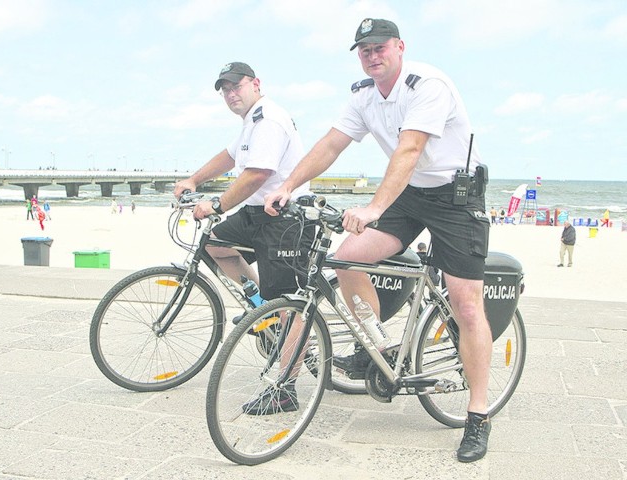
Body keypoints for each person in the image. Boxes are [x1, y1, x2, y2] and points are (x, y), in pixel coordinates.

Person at [264, 18, 492, 462]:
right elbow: (331, 144)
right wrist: (289, 185)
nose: (371, 54)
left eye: (379, 46)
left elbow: (409, 150)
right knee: (346, 259)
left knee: (466, 305)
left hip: (455, 198)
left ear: (399, 47)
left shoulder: (428, 85)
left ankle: (478, 415)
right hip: (409, 195)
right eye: (363, 49)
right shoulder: (363, 95)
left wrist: (371, 209)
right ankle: (379, 346)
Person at [173, 62, 314, 414]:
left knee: (287, 301)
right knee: (214, 243)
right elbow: (229, 156)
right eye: (225, 89)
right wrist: (194, 179)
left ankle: (286, 389)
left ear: (256, 84)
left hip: (285, 217)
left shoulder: (268, 119)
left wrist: (217, 203)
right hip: (255, 214)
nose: (231, 94)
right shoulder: (251, 121)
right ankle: (261, 311)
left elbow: (257, 174)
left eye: (237, 86)